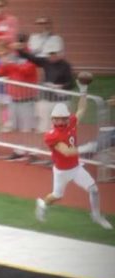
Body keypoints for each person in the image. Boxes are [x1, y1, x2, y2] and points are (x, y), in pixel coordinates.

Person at [35, 81, 112, 230]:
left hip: (75, 167)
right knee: (56, 196)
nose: (59, 121)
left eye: (62, 118)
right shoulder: (52, 135)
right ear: (53, 119)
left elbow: (82, 108)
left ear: (66, 118)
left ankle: (96, 216)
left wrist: (83, 90)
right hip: (62, 171)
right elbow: (66, 151)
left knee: (94, 189)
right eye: (56, 118)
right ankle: (43, 204)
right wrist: (88, 147)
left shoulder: (70, 123)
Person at [14, 43, 73, 133]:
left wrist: (61, 86)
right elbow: (31, 58)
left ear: (59, 54)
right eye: (50, 54)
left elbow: (71, 83)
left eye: (54, 54)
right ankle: (44, 134)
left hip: (61, 98)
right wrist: (19, 50)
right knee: (43, 116)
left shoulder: (66, 66)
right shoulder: (45, 62)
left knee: (59, 120)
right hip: (47, 96)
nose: (52, 56)